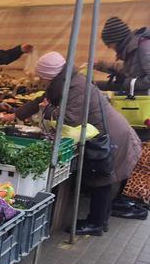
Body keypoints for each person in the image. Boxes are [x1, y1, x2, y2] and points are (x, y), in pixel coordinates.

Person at [15, 52, 142, 236]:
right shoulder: (65, 81)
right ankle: (99, 221)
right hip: (104, 130)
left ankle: (96, 223)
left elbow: (70, 118)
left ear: (50, 74)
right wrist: (17, 114)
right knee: (104, 178)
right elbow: (41, 99)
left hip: (110, 134)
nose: (40, 79)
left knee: (104, 178)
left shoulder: (75, 87)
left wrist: (47, 110)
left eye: (42, 75)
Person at [95, 16, 150, 94]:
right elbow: (128, 69)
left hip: (145, 102)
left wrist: (127, 83)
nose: (108, 47)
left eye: (109, 44)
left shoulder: (143, 46)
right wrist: (101, 65)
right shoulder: (131, 48)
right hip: (140, 98)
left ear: (117, 40)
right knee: (98, 85)